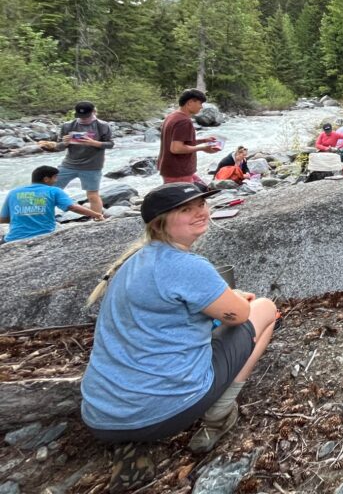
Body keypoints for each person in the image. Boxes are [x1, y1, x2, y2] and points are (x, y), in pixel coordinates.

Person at [80, 183, 278, 460]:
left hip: (100, 416)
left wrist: (224, 298)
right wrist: (233, 299)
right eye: (186, 209)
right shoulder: (186, 265)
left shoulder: (132, 262)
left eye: (201, 205)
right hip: (163, 414)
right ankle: (219, 414)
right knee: (265, 309)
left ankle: (133, 444)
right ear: (160, 223)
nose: (200, 213)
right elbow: (241, 316)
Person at [45, 101, 114, 217]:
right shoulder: (68, 125)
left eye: (86, 116)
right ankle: (44, 217)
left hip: (92, 166)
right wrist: (65, 143)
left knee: (92, 195)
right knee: (50, 191)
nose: (83, 119)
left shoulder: (102, 126)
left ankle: (98, 220)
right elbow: (59, 147)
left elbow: (111, 144)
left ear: (93, 112)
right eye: (80, 116)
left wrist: (94, 143)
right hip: (68, 165)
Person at [2, 165, 105, 243]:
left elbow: (2, 219)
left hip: (13, 238)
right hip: (44, 236)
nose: (56, 180)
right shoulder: (53, 191)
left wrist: (25, 215)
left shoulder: (13, 192)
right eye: (55, 177)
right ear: (46, 179)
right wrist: (97, 214)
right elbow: (72, 207)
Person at [158, 89, 220, 185]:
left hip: (170, 169)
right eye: (200, 103)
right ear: (190, 102)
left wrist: (203, 140)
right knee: (187, 199)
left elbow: (179, 141)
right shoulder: (184, 121)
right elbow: (176, 148)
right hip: (178, 172)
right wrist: (203, 148)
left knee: (201, 190)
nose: (201, 107)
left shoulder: (172, 116)